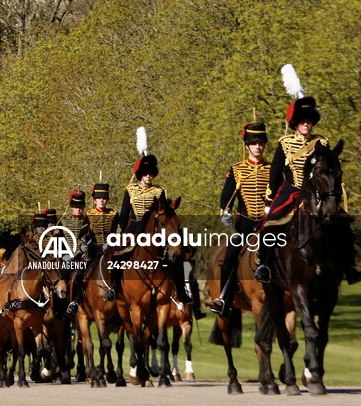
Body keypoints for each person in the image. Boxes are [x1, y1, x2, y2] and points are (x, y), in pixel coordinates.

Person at [256, 94, 361, 285]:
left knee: (344, 224)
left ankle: (350, 267)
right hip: (292, 190)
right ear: (296, 124)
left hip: (318, 193)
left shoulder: (322, 143)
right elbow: (275, 174)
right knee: (269, 224)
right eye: (303, 121)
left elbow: (329, 169)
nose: (307, 124)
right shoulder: (285, 143)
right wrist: (269, 200)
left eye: (309, 121)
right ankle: (264, 266)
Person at [119, 149, 205, 319]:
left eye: (151, 173)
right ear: (139, 174)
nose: (149, 176)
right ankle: (115, 288)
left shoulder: (160, 191)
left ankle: (182, 292)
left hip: (156, 230)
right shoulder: (129, 190)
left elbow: (165, 213)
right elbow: (123, 215)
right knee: (115, 254)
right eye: (145, 173)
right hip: (135, 227)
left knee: (178, 256)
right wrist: (125, 229)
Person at [209, 123, 270, 316]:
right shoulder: (237, 170)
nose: (258, 146)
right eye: (254, 143)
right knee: (229, 258)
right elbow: (226, 197)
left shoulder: (271, 169)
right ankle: (225, 299)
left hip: (268, 226)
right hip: (245, 226)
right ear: (247, 146)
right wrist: (224, 213)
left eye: (261, 143)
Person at [66, 184, 117, 315]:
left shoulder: (113, 214)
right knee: (79, 274)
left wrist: (111, 242)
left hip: (109, 249)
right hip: (93, 250)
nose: (101, 200)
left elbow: (116, 231)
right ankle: (74, 302)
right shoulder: (89, 214)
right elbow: (82, 233)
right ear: (94, 200)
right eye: (99, 198)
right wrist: (83, 244)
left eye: (104, 198)